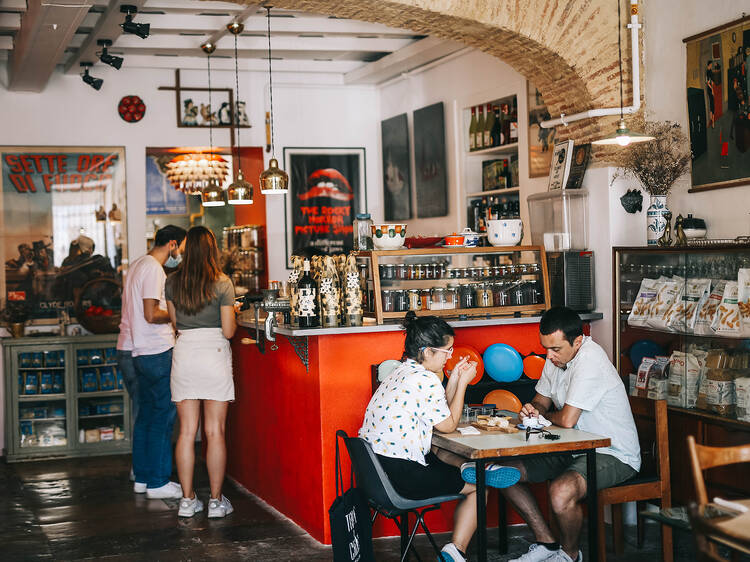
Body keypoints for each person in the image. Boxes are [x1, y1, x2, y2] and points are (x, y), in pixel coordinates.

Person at [359, 312, 520, 562]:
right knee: (480, 488)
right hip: (402, 478)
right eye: (447, 351)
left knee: (437, 451)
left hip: (377, 474)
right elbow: (448, 425)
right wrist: (465, 383)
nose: (450, 355)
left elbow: (437, 410)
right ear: (426, 351)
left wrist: (454, 378)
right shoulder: (425, 379)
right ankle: (455, 552)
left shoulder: (400, 372)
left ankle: (472, 466)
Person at [503, 307, 641, 562]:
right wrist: (534, 409)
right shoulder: (556, 356)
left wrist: (540, 418)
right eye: (545, 347)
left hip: (613, 453)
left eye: (555, 349)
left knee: (561, 491)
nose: (549, 355)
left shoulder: (590, 360)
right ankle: (546, 543)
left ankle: (569, 555)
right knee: (502, 472)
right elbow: (541, 399)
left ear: (578, 341)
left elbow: (567, 420)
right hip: (570, 448)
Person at [165, 226, 237, 518]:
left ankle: (187, 500)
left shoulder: (171, 283)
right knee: (214, 431)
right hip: (214, 354)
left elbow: (174, 324)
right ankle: (217, 502)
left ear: (186, 250)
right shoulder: (223, 283)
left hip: (185, 353)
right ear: (212, 249)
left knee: (186, 432)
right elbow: (229, 331)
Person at [123, 225, 187, 499]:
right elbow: (151, 313)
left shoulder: (138, 263)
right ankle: (159, 482)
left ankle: (144, 477)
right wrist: (177, 312)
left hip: (141, 350)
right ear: (172, 244)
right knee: (163, 417)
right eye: (181, 248)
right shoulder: (153, 268)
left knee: (147, 416)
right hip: (157, 350)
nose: (180, 254)